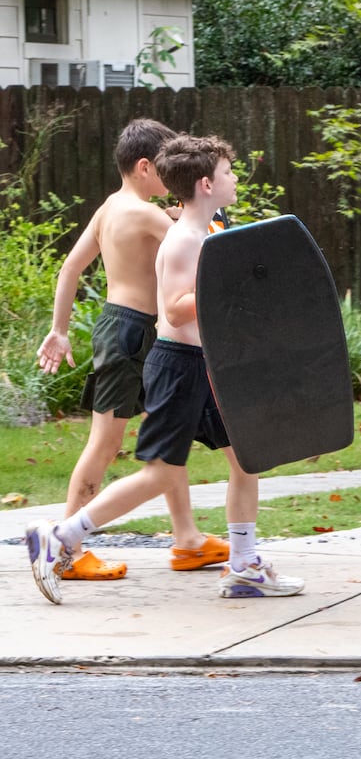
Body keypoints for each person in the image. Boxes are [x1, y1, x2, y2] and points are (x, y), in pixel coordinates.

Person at [25, 134, 304, 604]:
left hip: (205, 365)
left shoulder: (201, 231)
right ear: (205, 184)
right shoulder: (182, 240)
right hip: (179, 368)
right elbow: (174, 311)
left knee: (247, 458)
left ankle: (243, 566)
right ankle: (62, 537)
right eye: (228, 174)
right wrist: (229, 291)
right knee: (158, 472)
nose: (234, 179)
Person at [34, 118, 228, 581]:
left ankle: (187, 540)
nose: (172, 176)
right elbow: (201, 241)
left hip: (119, 328)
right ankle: (67, 547)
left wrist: (60, 330)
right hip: (134, 333)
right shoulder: (146, 214)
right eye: (165, 167)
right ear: (144, 167)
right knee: (106, 442)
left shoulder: (108, 208)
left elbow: (70, 268)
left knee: (167, 437)